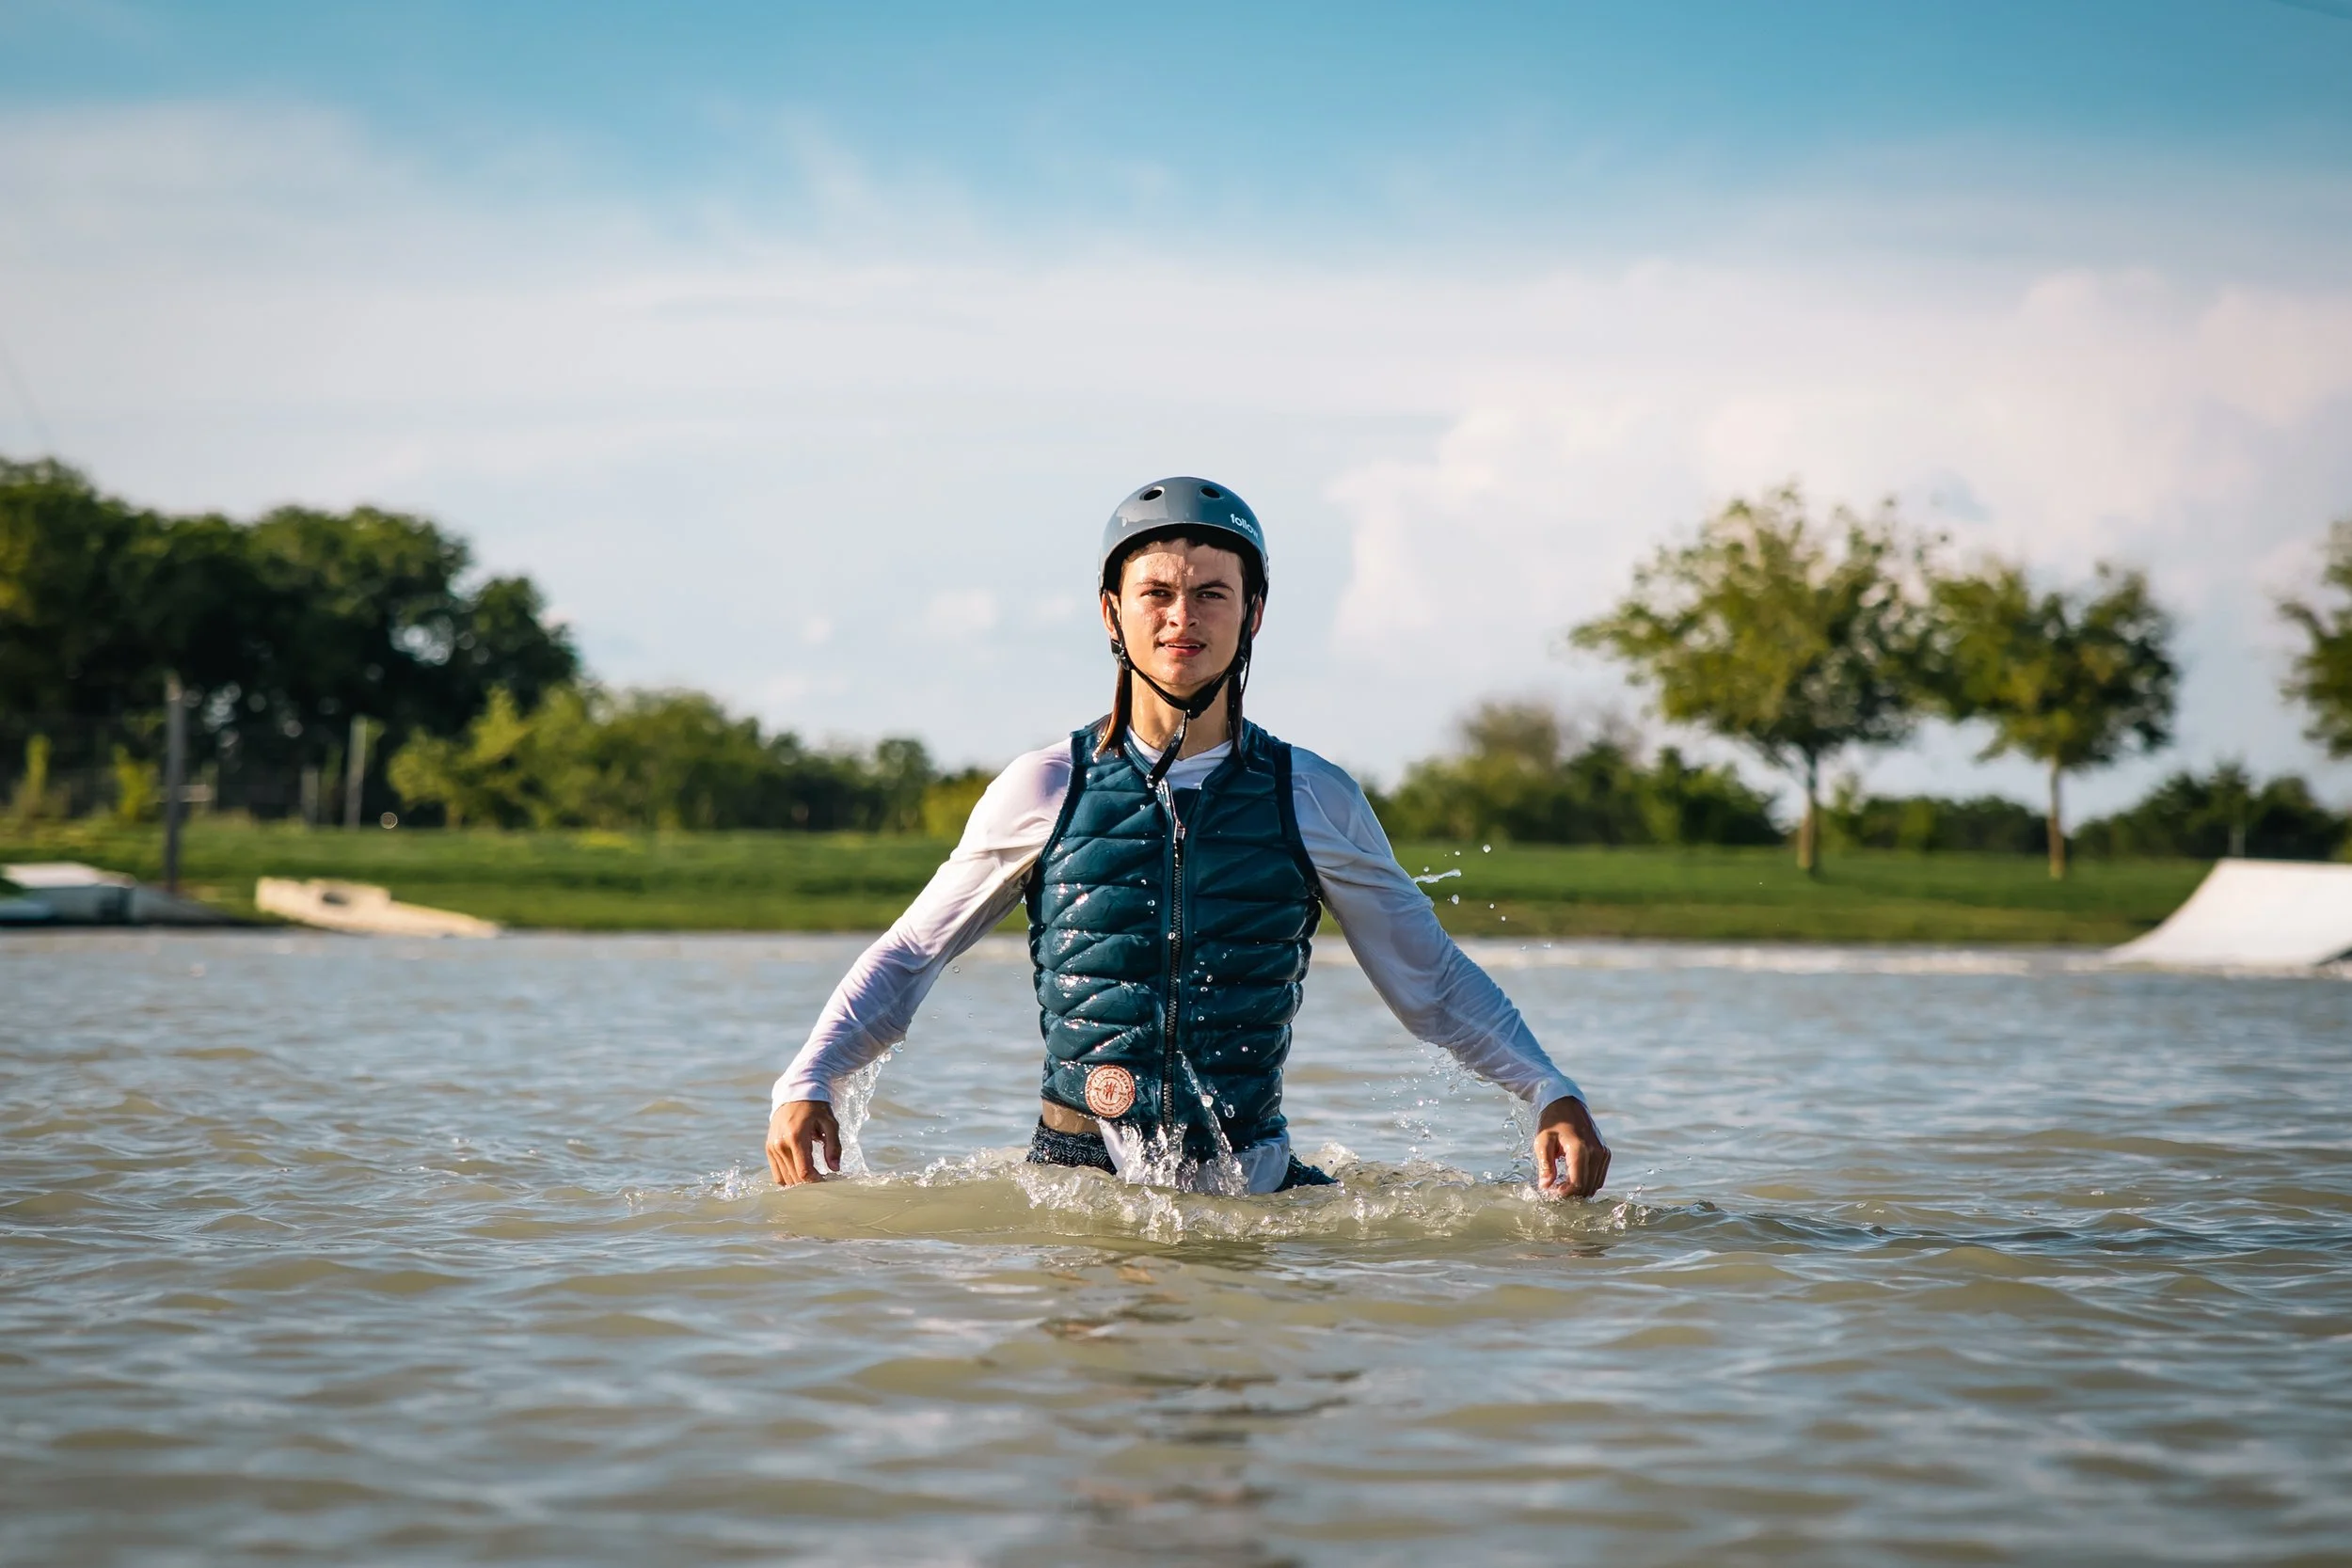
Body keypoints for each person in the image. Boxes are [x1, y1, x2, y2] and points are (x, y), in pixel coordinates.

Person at [767, 477, 1611, 1198]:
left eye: (1212, 593)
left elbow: (1429, 979)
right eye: (1157, 593)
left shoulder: (1313, 794)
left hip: (1255, 1179)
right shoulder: (1041, 787)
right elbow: (912, 953)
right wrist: (810, 1077)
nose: (1183, 618)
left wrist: (1548, 1087)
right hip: (1076, 1178)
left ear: (1253, 614)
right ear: (1112, 611)